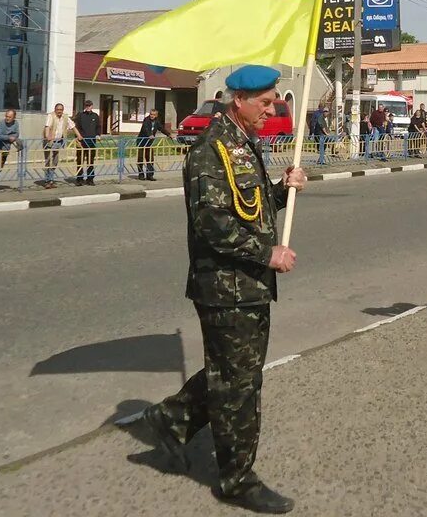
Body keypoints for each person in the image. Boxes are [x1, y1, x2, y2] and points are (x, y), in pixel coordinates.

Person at [137, 65, 305, 515]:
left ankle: (170, 419)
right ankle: (237, 480)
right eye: (266, 103)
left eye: (274, 101)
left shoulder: (242, 142)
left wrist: (281, 191)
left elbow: (247, 204)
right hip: (225, 287)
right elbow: (212, 225)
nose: (273, 110)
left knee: (232, 372)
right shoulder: (211, 151)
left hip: (247, 285)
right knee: (240, 384)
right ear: (240, 101)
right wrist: (267, 254)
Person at [41, 102, 74, 189]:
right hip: (49, 141)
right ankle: (47, 181)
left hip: (58, 142)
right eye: (58, 110)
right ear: (55, 110)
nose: (59, 111)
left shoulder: (65, 117)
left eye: (61, 110)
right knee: (48, 161)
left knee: (55, 161)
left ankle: (51, 179)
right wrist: (48, 136)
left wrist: (78, 135)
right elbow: (47, 126)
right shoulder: (51, 116)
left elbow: (73, 126)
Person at [74, 100, 101, 185]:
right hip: (81, 142)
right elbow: (76, 127)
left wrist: (98, 134)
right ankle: (79, 179)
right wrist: (77, 137)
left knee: (90, 161)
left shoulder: (95, 116)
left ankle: (90, 179)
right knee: (80, 161)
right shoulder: (80, 115)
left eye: (89, 105)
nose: (88, 107)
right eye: (86, 105)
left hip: (92, 142)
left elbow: (98, 127)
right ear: (85, 106)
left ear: (92, 106)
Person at [137, 108, 169, 181]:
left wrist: (169, 134)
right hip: (142, 141)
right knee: (140, 158)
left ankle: (150, 175)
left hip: (149, 142)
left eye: (154, 115)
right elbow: (145, 128)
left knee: (150, 158)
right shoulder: (146, 120)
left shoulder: (157, 121)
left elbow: (161, 128)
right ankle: (141, 174)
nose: (152, 116)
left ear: (156, 115)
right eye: (151, 114)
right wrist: (149, 135)